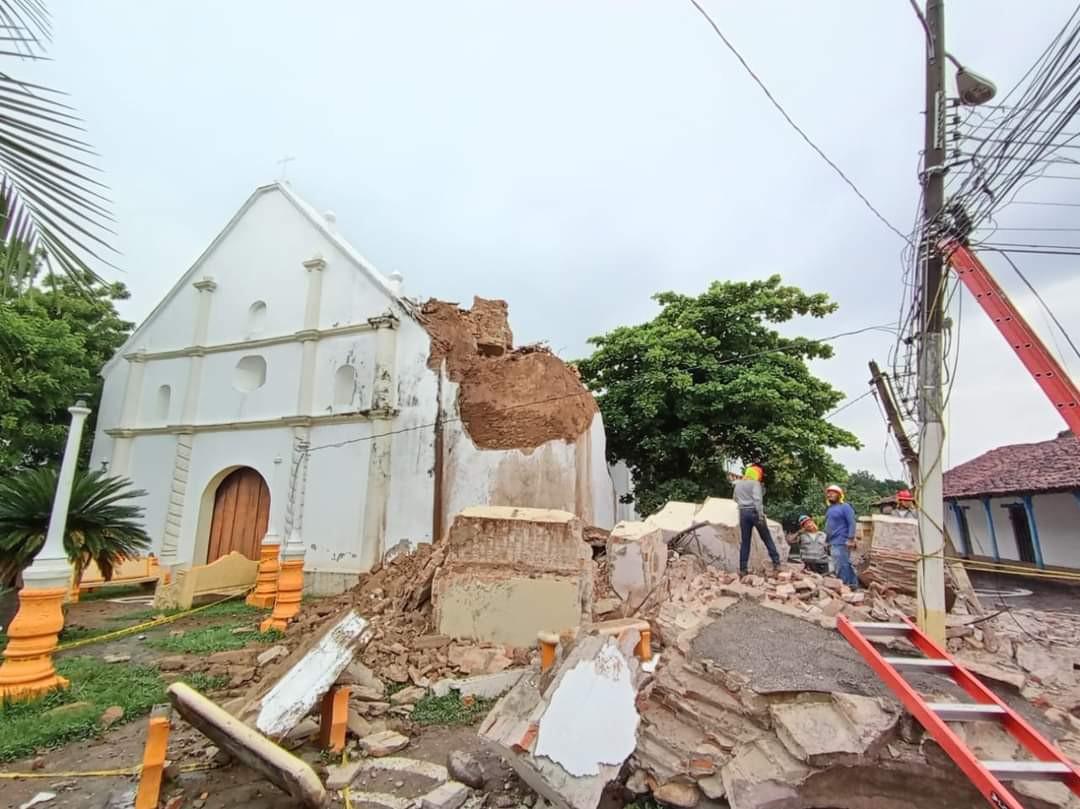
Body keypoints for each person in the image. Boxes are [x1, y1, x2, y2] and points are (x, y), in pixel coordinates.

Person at [733, 464, 781, 576]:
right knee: (766, 538)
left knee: (745, 541)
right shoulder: (755, 483)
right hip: (754, 512)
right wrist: (760, 515)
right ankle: (776, 562)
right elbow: (758, 500)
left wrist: (743, 503)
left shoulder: (738, 484)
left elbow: (735, 498)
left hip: (743, 513)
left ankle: (743, 569)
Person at [824, 484, 858, 588]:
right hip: (833, 541)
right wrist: (827, 541)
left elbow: (852, 523)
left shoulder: (845, 507)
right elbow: (829, 526)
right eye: (828, 493)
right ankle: (852, 585)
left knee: (841, 565)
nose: (830, 494)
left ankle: (845, 586)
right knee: (843, 564)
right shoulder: (830, 509)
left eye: (832, 492)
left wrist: (850, 538)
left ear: (839, 495)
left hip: (842, 540)